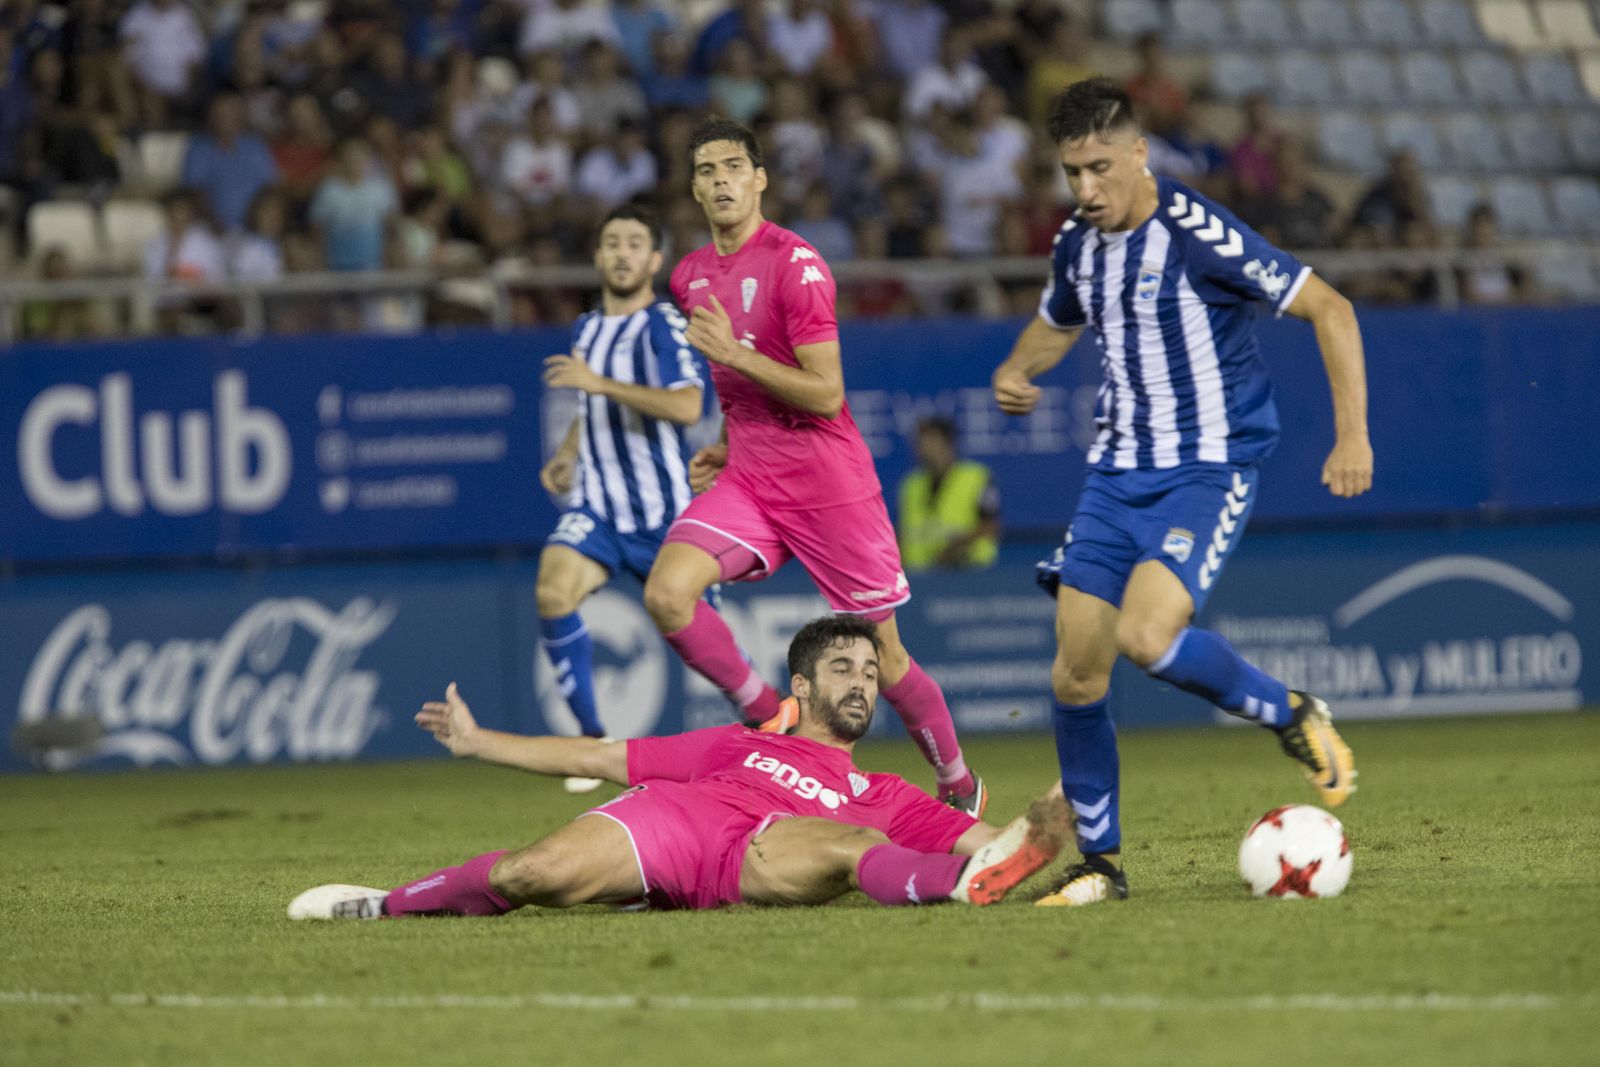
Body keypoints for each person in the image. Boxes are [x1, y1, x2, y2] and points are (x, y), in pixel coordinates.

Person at [990, 79, 1372, 907]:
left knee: (1148, 636)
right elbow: (1057, 323)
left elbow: (1332, 309)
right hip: (1115, 477)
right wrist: (1019, 367)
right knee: (1075, 676)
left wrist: (1353, 436)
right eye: (1070, 173)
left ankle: (1290, 710)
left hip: (1205, 470)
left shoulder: (1198, 233)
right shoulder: (1076, 245)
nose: (1086, 189)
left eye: (1099, 168)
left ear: (1138, 153)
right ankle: (1103, 864)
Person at [640, 118, 986, 815]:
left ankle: (957, 782)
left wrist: (736, 354)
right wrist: (727, 440)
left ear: (760, 177)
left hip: (828, 482)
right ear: (694, 188)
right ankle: (771, 715)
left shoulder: (796, 264)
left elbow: (825, 393)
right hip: (750, 478)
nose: (720, 180)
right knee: (668, 594)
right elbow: (738, 392)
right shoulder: (690, 274)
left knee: (885, 659)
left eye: (733, 165)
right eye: (705, 170)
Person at [287, 616, 1066, 920]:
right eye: (842, 667)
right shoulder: (736, 743)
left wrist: (1055, 823)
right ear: (801, 686)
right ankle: (384, 905)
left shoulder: (885, 793)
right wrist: (479, 740)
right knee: (531, 873)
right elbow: (598, 755)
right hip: (680, 824)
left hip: (766, 855)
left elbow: (989, 838)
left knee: (846, 846)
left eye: (870, 670)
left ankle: (954, 891)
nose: (861, 681)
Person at [534, 203, 710, 791]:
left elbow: (688, 406)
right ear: (597, 256)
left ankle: (777, 741)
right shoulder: (587, 328)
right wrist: (567, 453)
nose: (622, 252)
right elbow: (593, 407)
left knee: (708, 651)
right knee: (553, 589)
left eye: (635, 242)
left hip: (664, 517)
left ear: (655, 259)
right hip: (599, 508)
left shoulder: (664, 323)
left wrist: (600, 384)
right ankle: (591, 739)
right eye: (612, 242)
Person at [897, 416, 999, 572]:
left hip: (968, 573)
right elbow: (903, 533)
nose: (922, 447)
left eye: (930, 440)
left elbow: (989, 526)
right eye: (919, 441)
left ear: (947, 442)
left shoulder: (976, 477)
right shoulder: (911, 485)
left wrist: (955, 548)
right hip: (918, 575)